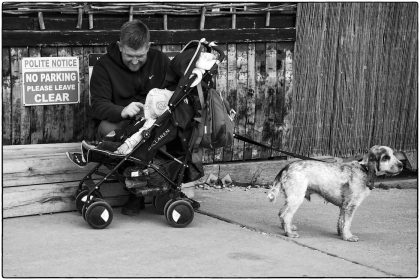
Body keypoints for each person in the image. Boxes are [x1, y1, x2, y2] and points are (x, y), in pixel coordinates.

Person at [87, 19, 171, 216]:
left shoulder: (161, 61)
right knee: (107, 130)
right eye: (129, 56)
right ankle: (133, 191)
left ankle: (156, 189)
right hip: (122, 124)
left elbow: (174, 92)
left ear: (148, 47)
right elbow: (98, 104)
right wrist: (122, 110)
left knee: (167, 133)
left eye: (140, 56)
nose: (135, 61)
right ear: (119, 47)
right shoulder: (104, 67)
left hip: (154, 125)